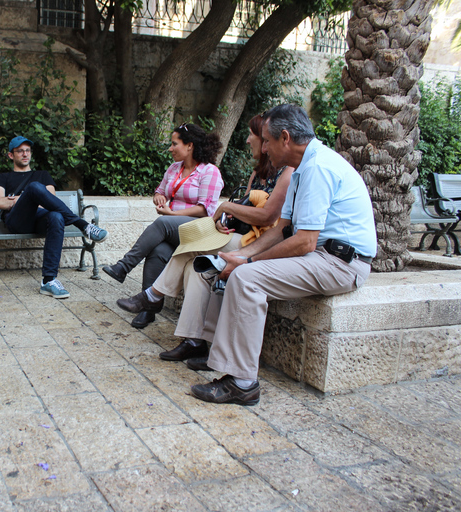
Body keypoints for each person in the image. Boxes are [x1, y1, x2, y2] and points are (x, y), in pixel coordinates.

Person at [187, 104, 377, 406]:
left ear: (285, 138)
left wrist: (247, 263)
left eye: (266, 140)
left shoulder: (318, 168)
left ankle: (243, 383)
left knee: (248, 279)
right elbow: (283, 229)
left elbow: (304, 243)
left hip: (341, 264)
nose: (263, 147)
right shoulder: (303, 169)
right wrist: (239, 255)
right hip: (322, 256)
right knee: (232, 264)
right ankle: (216, 356)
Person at [115, 114, 293, 362]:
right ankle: (193, 341)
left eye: (258, 137)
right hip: (235, 234)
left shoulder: (288, 172)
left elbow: (267, 216)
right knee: (194, 267)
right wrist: (224, 221)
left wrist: (226, 209)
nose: (252, 141)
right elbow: (240, 208)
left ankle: (152, 295)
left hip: (257, 242)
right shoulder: (257, 174)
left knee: (186, 243)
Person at [104, 123, 224, 328]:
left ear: (190, 146)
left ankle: (124, 266)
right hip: (173, 227)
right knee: (158, 250)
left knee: (162, 223)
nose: (170, 148)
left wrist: (173, 214)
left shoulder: (209, 171)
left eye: (174, 143)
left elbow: (206, 209)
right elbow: (160, 191)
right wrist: (159, 198)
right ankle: (149, 310)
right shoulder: (174, 169)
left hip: (198, 228)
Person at [0, 136, 108, 299]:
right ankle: (83, 225)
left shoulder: (42, 175)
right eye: (20, 151)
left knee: (56, 216)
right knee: (34, 188)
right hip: (17, 221)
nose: (25, 154)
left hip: (41, 220)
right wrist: (26, 198)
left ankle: (49, 281)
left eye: (27, 150)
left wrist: (17, 198)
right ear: (11, 155)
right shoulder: (3, 177)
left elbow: (51, 202)